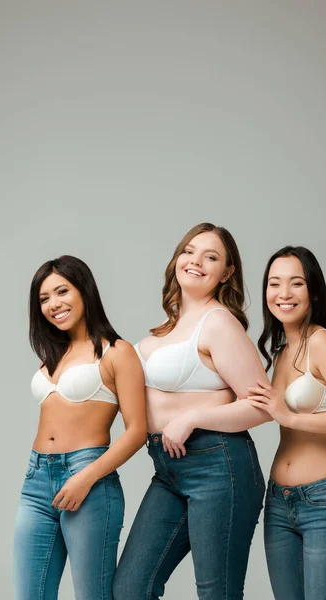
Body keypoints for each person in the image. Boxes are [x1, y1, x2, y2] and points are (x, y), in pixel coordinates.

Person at [113, 223, 272, 600]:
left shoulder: (217, 323)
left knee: (216, 593)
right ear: (176, 259)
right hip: (168, 468)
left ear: (226, 273)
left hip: (219, 466)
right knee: (130, 588)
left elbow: (262, 406)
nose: (195, 261)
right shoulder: (162, 331)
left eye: (211, 257)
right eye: (189, 251)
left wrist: (193, 417)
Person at [13, 255, 146, 600]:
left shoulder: (118, 352)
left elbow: (136, 432)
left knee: (92, 595)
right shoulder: (52, 356)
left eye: (62, 292)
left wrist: (84, 478)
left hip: (89, 478)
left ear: (84, 291)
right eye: (44, 299)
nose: (53, 304)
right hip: (37, 479)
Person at [248, 246, 326, 600]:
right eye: (274, 283)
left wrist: (288, 416)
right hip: (280, 503)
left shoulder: (322, 342)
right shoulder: (281, 351)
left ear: (312, 291)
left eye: (295, 283)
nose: (283, 294)